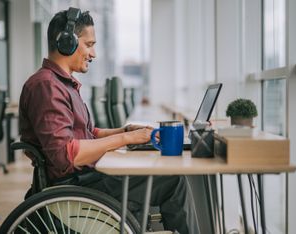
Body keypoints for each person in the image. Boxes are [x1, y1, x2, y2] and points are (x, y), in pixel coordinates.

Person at [19, 8, 199, 234]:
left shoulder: (62, 84)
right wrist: (126, 138)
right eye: (89, 44)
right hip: (75, 186)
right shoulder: (46, 86)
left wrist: (125, 130)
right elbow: (67, 155)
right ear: (67, 42)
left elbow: (88, 133)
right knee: (173, 182)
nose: (93, 53)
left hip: (86, 178)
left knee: (164, 177)